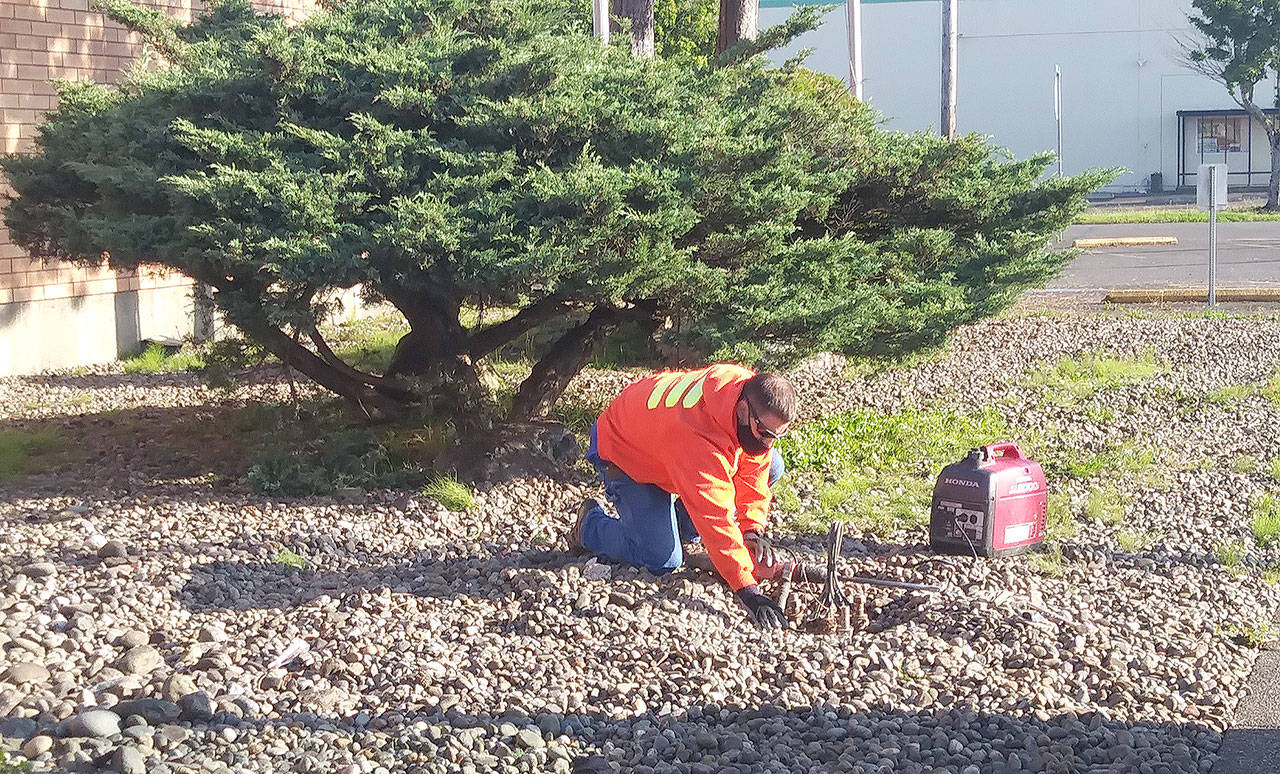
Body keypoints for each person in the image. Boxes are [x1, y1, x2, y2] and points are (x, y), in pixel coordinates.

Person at [566, 363, 795, 629]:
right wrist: (748, 591)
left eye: (777, 435)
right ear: (744, 410)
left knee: (772, 463)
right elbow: (715, 516)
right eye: (765, 433)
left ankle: (679, 529)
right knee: (662, 560)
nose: (768, 442)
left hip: (665, 451)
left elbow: (755, 467)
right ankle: (589, 526)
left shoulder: (743, 389)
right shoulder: (696, 439)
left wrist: (752, 528)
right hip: (624, 454)